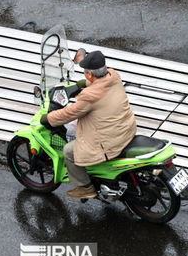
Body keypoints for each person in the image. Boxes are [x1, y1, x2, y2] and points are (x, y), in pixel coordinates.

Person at [41, 50, 137, 199]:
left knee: (68, 150)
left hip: (109, 142)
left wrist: (48, 118)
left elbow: (68, 113)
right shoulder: (113, 76)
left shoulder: (90, 96)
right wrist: (81, 84)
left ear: (90, 74)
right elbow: (100, 83)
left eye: (85, 72)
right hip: (126, 129)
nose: (85, 74)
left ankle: (85, 187)